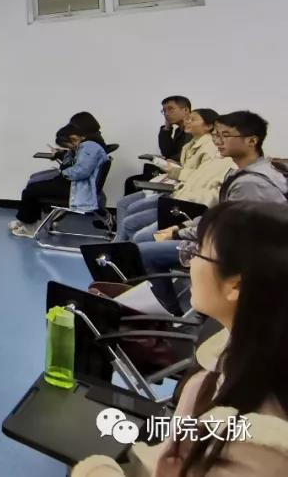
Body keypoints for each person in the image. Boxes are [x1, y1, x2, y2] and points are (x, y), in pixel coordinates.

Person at [73, 199, 288, 476]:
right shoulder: (226, 360)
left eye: (198, 252)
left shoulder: (259, 443)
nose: (189, 262)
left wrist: (95, 469)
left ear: (235, 285)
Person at [137, 110, 286, 313]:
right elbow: (220, 215)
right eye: (216, 135)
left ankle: (169, 313)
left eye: (226, 135)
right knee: (150, 240)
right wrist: (180, 227)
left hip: (240, 253)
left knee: (143, 252)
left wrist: (178, 233)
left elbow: (226, 228)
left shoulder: (250, 182)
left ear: (252, 141)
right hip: (234, 242)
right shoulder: (247, 171)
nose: (218, 141)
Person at [112, 109, 231, 243]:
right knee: (130, 216)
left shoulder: (212, 150)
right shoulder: (192, 144)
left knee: (137, 229)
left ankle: (124, 247)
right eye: (216, 135)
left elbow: (200, 187)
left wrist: (175, 172)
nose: (187, 121)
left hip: (187, 206)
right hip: (179, 197)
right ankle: (122, 246)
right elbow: (191, 174)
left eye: (192, 119)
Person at [11, 123, 109, 238]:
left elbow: (80, 171)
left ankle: (29, 227)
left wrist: (63, 172)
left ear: (73, 138)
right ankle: (31, 222)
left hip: (78, 189)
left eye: (68, 145)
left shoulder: (89, 147)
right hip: (78, 185)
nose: (69, 148)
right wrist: (65, 154)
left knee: (31, 190)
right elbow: (75, 164)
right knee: (35, 185)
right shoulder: (87, 145)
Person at [124, 96, 191, 195]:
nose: (166, 113)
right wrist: (167, 128)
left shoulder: (192, 132)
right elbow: (166, 151)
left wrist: (168, 160)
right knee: (132, 181)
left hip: (181, 175)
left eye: (170, 109)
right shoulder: (179, 130)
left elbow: (184, 157)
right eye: (164, 110)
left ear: (185, 110)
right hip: (172, 170)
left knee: (132, 183)